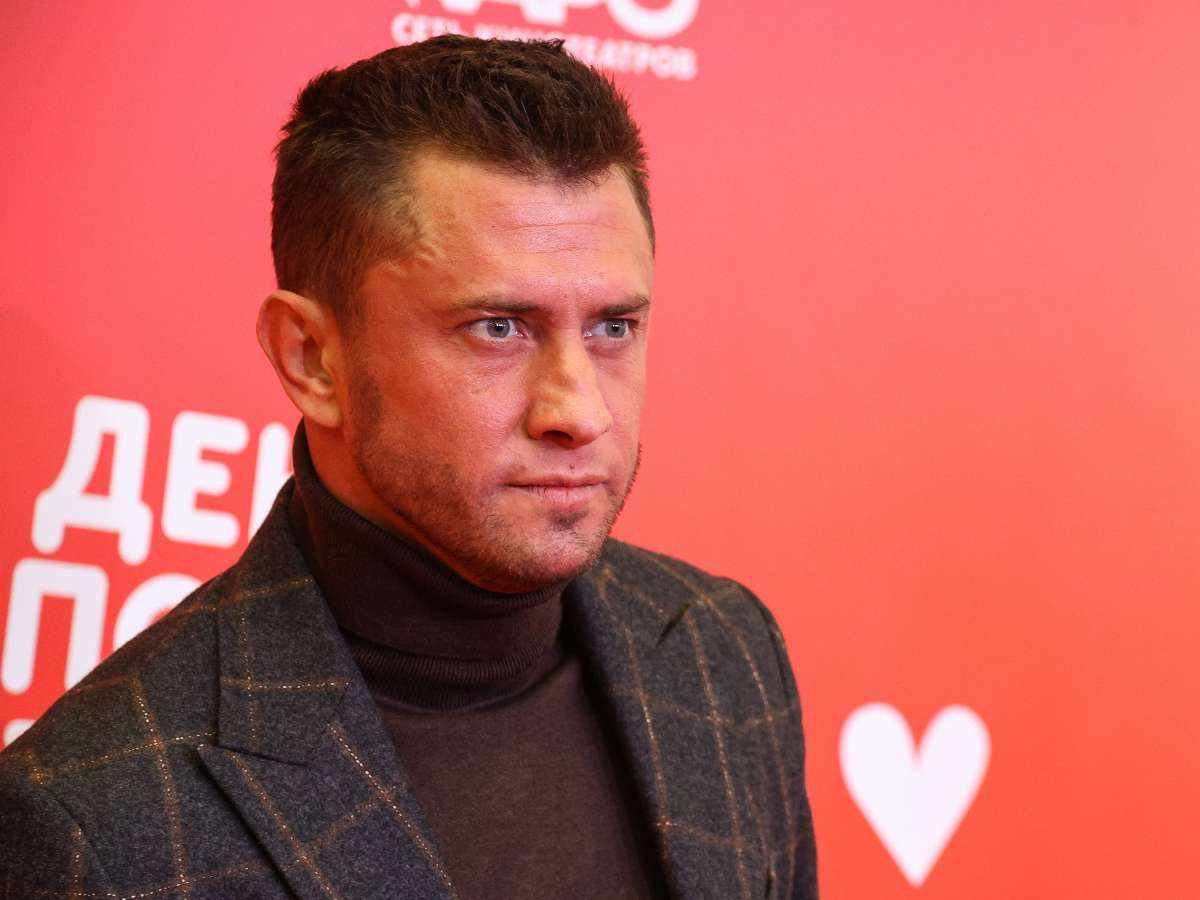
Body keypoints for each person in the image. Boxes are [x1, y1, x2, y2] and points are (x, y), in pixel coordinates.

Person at [0, 36, 817, 899]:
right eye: (498, 328)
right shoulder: (94, 821)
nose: (580, 411)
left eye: (613, 327)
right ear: (313, 359)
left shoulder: (726, 653)